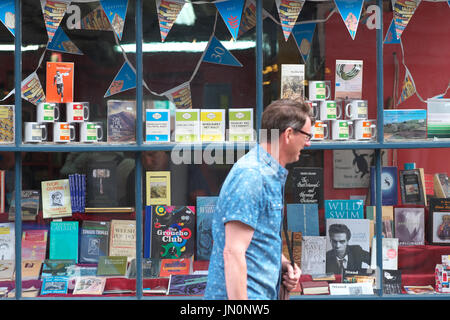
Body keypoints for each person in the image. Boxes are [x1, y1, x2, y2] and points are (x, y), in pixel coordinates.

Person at [204, 99, 314, 300]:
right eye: (307, 135)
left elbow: (258, 240)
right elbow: (233, 252)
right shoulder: (252, 176)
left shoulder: (266, 173)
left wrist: (284, 265)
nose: (308, 143)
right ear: (289, 134)